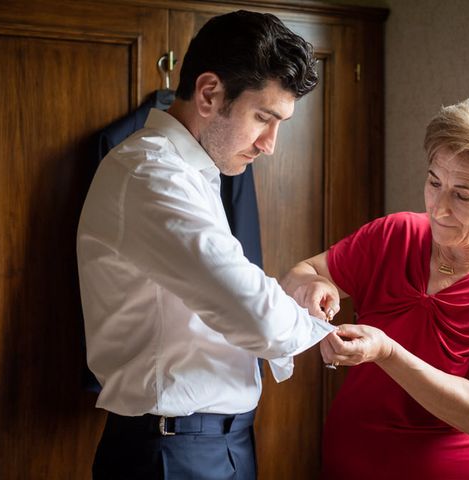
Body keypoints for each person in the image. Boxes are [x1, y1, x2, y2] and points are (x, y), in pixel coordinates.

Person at [76, 10, 339, 480]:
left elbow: (231, 287)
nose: (269, 144)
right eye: (263, 117)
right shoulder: (151, 175)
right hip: (172, 453)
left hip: (217, 443)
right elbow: (253, 313)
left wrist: (290, 301)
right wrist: (316, 328)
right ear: (209, 93)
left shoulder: (193, 174)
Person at [282, 96, 469, 480]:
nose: (438, 208)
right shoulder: (395, 233)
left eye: (462, 195)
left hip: (449, 468)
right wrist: (313, 288)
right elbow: (300, 273)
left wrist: (387, 352)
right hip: (348, 455)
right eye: (433, 182)